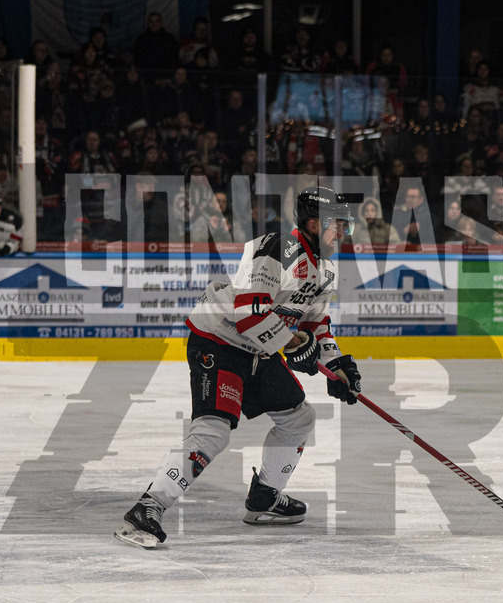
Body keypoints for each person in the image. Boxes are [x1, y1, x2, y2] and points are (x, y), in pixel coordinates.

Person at [114, 187, 363, 548]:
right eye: (339, 226)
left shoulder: (324, 270)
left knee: (299, 418)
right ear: (314, 223)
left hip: (257, 351)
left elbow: (315, 326)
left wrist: (337, 364)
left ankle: (264, 497)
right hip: (220, 341)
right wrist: (295, 346)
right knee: (214, 431)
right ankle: (146, 508)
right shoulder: (277, 250)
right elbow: (250, 313)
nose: (343, 233)